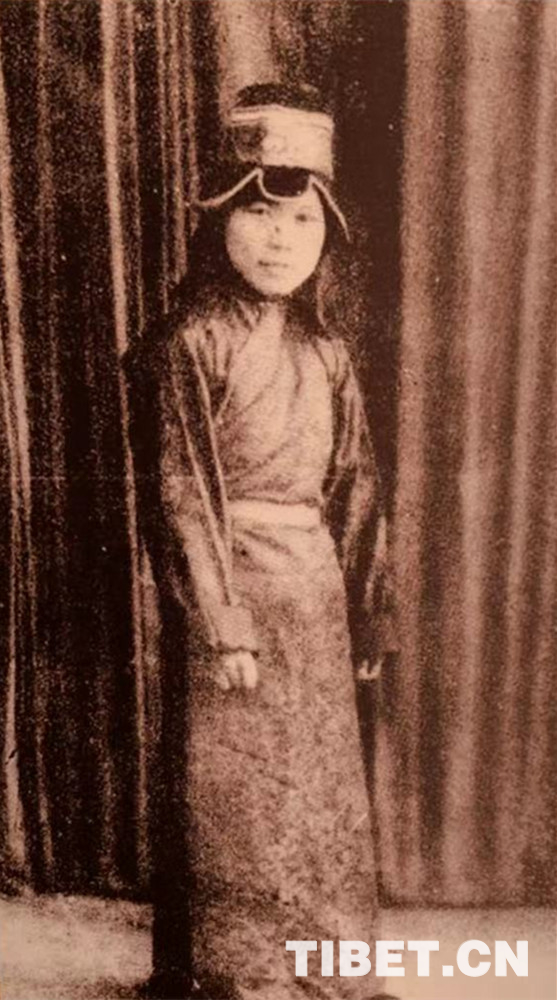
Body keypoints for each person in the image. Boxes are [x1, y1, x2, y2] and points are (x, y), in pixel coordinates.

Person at [126, 83, 398, 1000]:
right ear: (219, 223)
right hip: (233, 592)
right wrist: (223, 623)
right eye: (258, 214)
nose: (280, 239)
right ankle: (237, 977)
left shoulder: (325, 353)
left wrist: (366, 613)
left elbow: (355, 487)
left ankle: (332, 972)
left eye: (301, 220)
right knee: (235, 792)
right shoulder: (188, 341)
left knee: (319, 788)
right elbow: (183, 492)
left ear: (326, 236)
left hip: (313, 595)